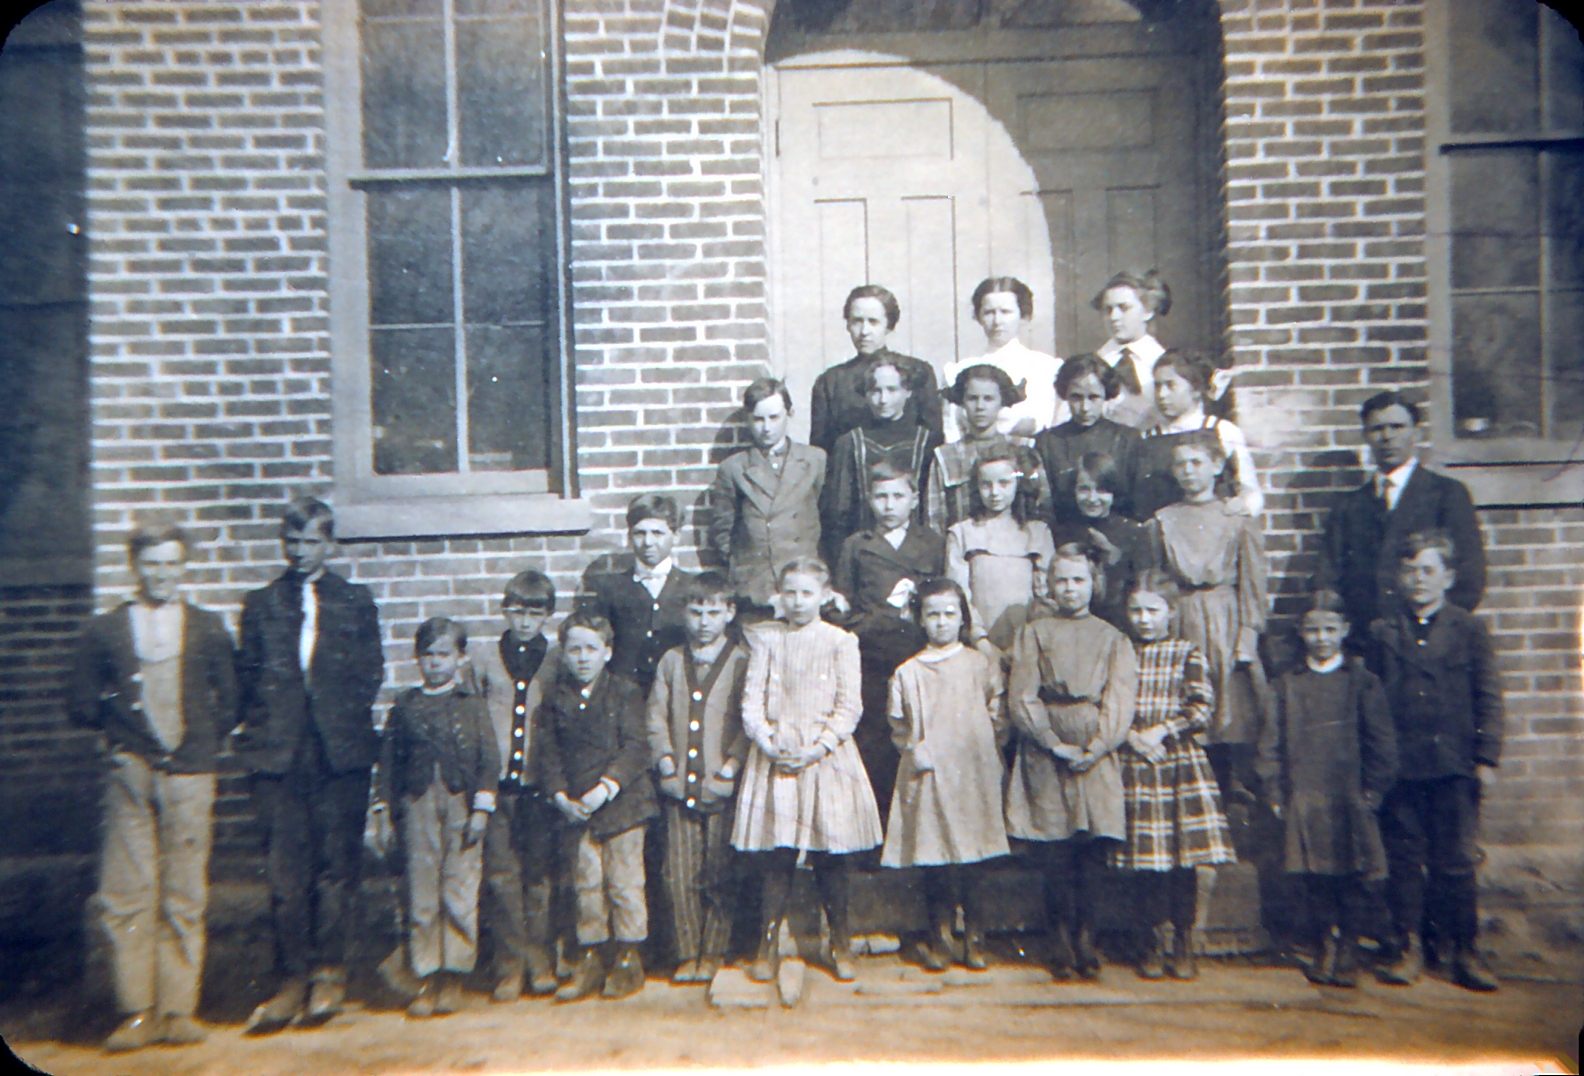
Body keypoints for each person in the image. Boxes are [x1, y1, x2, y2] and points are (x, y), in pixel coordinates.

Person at [67, 523, 237, 1052]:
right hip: (132, 774)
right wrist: (124, 737)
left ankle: (178, 1010)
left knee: (184, 892)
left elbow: (230, 700)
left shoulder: (207, 627)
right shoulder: (107, 630)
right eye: (152, 563)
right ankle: (136, 1012)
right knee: (126, 892)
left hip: (191, 772)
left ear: (184, 567)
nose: (163, 574)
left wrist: (197, 741)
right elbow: (79, 703)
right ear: (134, 567)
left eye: (172, 563)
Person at [237, 498, 385, 1035]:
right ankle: (288, 980)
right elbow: (248, 677)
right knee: (284, 874)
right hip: (279, 757)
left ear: (330, 544)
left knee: (337, 867)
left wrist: (336, 724)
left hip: (337, 755)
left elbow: (369, 674)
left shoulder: (354, 601)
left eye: (311, 542)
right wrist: (264, 731)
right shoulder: (261, 603)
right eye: (292, 542)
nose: (300, 553)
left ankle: (330, 974)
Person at [731, 558, 883, 984]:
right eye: (790, 593)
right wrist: (770, 742)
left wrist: (817, 748)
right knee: (778, 855)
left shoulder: (840, 642)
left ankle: (839, 943)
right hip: (778, 756)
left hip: (826, 758)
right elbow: (751, 704)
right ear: (779, 596)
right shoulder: (766, 640)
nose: (798, 602)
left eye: (807, 593)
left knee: (829, 855)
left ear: (824, 595)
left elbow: (849, 706)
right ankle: (766, 947)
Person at [1367, 531, 1504, 993]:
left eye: (1428, 570)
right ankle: (1407, 948)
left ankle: (1465, 951)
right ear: (1399, 578)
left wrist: (1486, 758)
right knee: (1403, 860)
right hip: (1402, 768)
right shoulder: (1384, 631)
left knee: (1457, 862)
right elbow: (1372, 701)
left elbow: (1488, 696)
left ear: (1448, 576)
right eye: (1410, 571)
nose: (1419, 579)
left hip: (1453, 766)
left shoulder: (1468, 629)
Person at [1006, 545, 1138, 982]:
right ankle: (1059, 936)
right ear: (1049, 585)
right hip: (1049, 748)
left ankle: (1088, 936)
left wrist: (1098, 746)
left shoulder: (1112, 637)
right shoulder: (1034, 633)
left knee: (1091, 848)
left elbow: (1119, 701)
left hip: (1095, 747)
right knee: (1055, 849)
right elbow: (1023, 695)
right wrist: (1050, 742)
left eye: (1078, 580)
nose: (1069, 589)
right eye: (1061, 580)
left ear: (1093, 584)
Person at [1255, 589, 1397, 989]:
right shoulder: (1287, 685)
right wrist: (1275, 793)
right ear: (1301, 632)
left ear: (1345, 630)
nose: (1321, 637)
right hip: (1305, 796)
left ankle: (1349, 948)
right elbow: (1269, 744)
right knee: (1315, 878)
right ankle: (1324, 945)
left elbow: (1382, 744)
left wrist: (1372, 793)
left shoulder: (1362, 682)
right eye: (1313, 630)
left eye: (1330, 629)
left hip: (1349, 796)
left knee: (1352, 876)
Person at [368, 619, 499, 1018]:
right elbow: (387, 765)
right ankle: (425, 976)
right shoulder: (404, 707)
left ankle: (453, 977)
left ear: (460, 659)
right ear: (416, 659)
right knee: (422, 891)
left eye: (444, 655)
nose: (435, 663)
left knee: (458, 888)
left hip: (461, 804)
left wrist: (481, 808)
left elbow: (489, 760)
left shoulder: (472, 705)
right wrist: (383, 814)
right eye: (428, 655)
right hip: (417, 803)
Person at [880, 578, 1009, 972]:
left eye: (950, 614)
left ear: (963, 618)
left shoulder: (979, 664)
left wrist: (984, 751)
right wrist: (914, 749)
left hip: (970, 771)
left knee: (973, 857)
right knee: (935, 856)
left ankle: (975, 936)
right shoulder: (909, 671)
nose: (941, 622)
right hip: (930, 772)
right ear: (920, 619)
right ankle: (938, 935)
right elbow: (898, 724)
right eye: (932, 615)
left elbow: (998, 713)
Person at [1112, 571, 1235, 981]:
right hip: (1134, 762)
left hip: (1177, 760)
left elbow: (1201, 706)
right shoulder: (1120, 651)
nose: (1144, 619)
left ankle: (1184, 941)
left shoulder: (1186, 652)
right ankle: (1150, 942)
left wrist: (1162, 729)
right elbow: (1106, 703)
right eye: (1136, 610)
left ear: (1172, 612)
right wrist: (1130, 735)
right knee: (1146, 862)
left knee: (1183, 862)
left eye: (1153, 610)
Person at [536, 611, 659, 1001]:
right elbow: (549, 754)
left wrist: (605, 788)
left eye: (592, 648)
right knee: (587, 884)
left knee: (624, 884)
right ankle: (590, 959)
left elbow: (636, 747)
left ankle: (627, 960)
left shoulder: (624, 692)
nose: (583, 658)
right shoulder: (556, 699)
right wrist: (560, 797)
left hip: (621, 805)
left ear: (607, 652)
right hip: (577, 808)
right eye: (574, 650)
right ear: (563, 654)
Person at [1145, 433, 1269, 809]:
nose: (1188, 472)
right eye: (1180, 464)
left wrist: (1247, 636)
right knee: (1183, 707)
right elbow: (1155, 582)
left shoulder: (1236, 518)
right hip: (1181, 620)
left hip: (1224, 620)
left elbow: (1253, 584)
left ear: (1217, 466)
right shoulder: (1163, 521)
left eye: (1197, 463)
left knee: (1227, 711)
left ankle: (1231, 793)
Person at [646, 573, 751, 984]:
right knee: (679, 872)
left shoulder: (741, 660)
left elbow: (749, 721)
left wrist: (730, 769)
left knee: (719, 871)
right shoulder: (671, 661)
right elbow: (654, 716)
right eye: (695, 612)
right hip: (678, 785)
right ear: (683, 613)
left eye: (713, 612)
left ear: (729, 613)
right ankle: (687, 952)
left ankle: (715, 951)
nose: (704, 621)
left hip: (720, 782)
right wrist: (666, 765)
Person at [1316, 390, 1487, 639]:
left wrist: (1433, 631)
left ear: (1416, 433)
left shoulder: (1446, 494)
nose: (1387, 437)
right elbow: (1328, 577)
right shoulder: (1348, 506)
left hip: (1427, 642)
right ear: (1366, 436)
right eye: (1377, 429)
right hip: (1367, 644)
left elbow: (1471, 577)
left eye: (1397, 427)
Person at [470, 570, 564, 1001]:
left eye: (535, 613)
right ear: (505, 610)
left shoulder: (559, 658)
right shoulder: (484, 658)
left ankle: (539, 959)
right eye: (516, 611)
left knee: (540, 876)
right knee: (502, 875)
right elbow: (474, 721)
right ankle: (509, 966)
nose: (524, 621)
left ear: (548, 615)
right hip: (500, 787)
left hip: (541, 788)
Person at [832, 460, 945, 813]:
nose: (889, 504)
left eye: (898, 495)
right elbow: (843, 604)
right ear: (869, 500)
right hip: (874, 655)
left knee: (923, 735)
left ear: (914, 499)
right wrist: (868, 624)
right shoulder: (857, 545)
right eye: (881, 496)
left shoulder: (931, 543)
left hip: (920, 653)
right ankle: (878, 826)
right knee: (877, 739)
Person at [707, 378, 826, 618]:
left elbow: (830, 519)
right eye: (758, 419)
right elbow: (723, 532)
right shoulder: (734, 468)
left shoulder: (815, 460)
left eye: (774, 418)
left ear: (789, 414)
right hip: (757, 587)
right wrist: (746, 571)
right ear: (748, 419)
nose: (766, 428)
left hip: (805, 583)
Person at [821, 354, 942, 565]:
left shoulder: (926, 441)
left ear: (908, 392)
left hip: (916, 555)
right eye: (875, 391)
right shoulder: (850, 442)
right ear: (866, 394)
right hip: (866, 555)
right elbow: (839, 513)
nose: (883, 399)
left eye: (892, 390)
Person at [577, 493, 695, 695]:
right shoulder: (612, 589)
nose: (648, 542)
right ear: (630, 536)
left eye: (658, 533)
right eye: (640, 533)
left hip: (678, 692)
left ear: (676, 535)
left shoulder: (691, 587)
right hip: (626, 696)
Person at [945, 448, 1056, 663]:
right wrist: (981, 642)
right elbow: (959, 596)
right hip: (979, 647)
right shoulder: (962, 533)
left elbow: (1046, 596)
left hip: (1028, 647)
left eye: (1004, 483)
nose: (995, 492)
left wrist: (1025, 644)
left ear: (1018, 485)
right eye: (986, 484)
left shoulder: (1037, 532)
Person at [808, 284, 943, 454]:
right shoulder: (830, 382)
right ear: (848, 325)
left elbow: (934, 441)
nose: (864, 331)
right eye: (857, 321)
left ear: (889, 325)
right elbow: (820, 452)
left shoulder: (918, 373)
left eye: (873, 322)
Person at [1135, 350, 1264, 521]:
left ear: (1195, 389)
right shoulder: (1147, 437)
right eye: (1158, 386)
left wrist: (1242, 505)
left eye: (1170, 385)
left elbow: (1250, 492)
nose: (1161, 394)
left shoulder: (1223, 431)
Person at [926, 363, 1049, 532]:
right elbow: (935, 520)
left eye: (988, 399)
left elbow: (1043, 506)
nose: (980, 407)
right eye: (972, 398)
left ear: (1002, 402)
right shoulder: (945, 457)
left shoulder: (1024, 448)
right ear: (962, 402)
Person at [943, 276, 1064, 441]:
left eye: (1006, 312)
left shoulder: (1046, 367)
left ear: (1022, 315)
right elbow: (951, 433)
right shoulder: (957, 371)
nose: (997, 321)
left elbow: (1052, 425)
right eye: (989, 312)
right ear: (978, 317)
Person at [1035, 353, 1143, 526]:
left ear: (1106, 395)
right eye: (1076, 397)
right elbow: (1045, 503)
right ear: (1065, 395)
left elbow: (1136, 501)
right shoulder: (1048, 442)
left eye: (1093, 397)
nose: (1085, 408)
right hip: (1064, 535)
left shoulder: (1126, 439)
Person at [1053, 451, 1147, 635]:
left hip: (1120, 624)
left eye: (1101, 490)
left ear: (1114, 492)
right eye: (1084, 489)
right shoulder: (1062, 532)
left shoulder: (1132, 531)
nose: (1092, 498)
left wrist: (1115, 558)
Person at [1090, 269, 1173, 430]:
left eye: (1124, 308)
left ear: (1147, 311)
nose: (1114, 317)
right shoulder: (1094, 364)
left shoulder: (1164, 361)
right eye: (1108, 310)